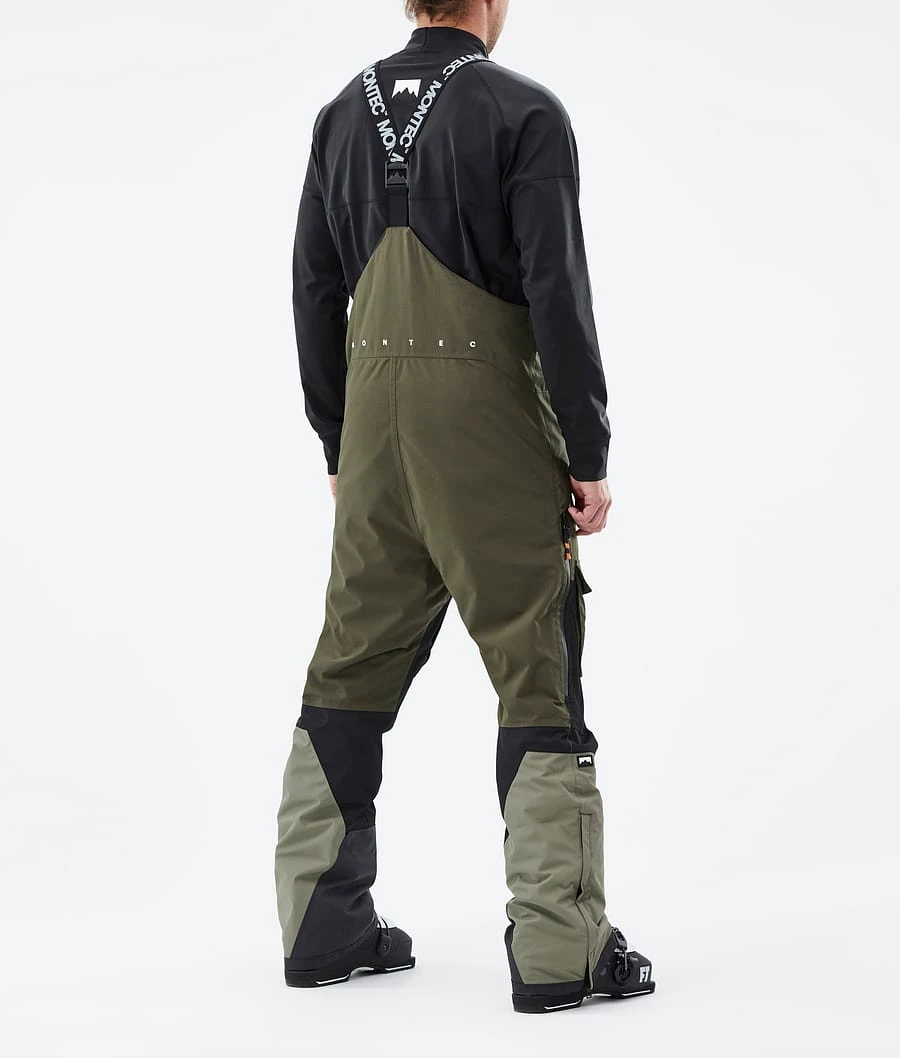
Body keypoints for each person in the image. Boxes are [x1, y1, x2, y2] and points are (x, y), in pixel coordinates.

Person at [274, 0, 656, 1014]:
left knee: (349, 664)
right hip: (487, 429)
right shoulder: (523, 112)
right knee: (536, 668)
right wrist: (587, 451)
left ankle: (320, 927)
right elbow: (556, 288)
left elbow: (313, 286)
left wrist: (338, 440)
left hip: (373, 431)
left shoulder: (339, 115)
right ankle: (562, 949)